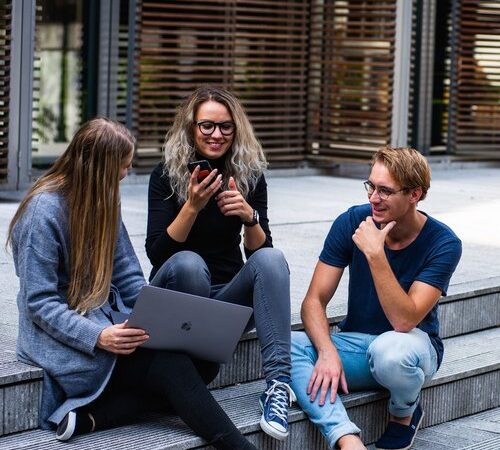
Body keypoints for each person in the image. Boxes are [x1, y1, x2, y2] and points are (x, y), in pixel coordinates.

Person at [7, 117, 257, 449]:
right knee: (173, 367)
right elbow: (39, 304)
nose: (126, 174)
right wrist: (98, 336)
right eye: (122, 167)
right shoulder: (43, 212)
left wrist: (153, 317)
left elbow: (128, 277)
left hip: (109, 323)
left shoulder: (104, 200)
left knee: (204, 363)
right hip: (63, 338)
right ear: (98, 167)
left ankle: (94, 416)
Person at [146, 86, 295, 440]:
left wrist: (250, 218)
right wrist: (192, 205)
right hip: (177, 295)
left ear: (237, 129)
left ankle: (277, 386)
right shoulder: (166, 174)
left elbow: (261, 256)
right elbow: (157, 254)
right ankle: (187, 372)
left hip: (225, 303)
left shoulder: (249, 174)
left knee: (272, 259)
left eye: (226, 127)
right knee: (189, 264)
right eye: (207, 126)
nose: (216, 135)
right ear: (191, 127)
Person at [290, 146, 462, 450]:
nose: (373, 198)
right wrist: (328, 351)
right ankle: (346, 437)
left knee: (390, 351)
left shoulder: (443, 242)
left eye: (385, 190)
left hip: (411, 347)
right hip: (356, 343)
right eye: (371, 186)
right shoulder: (353, 221)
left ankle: (403, 414)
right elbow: (313, 300)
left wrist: (374, 253)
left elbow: (404, 320)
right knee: (286, 345)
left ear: (414, 194)